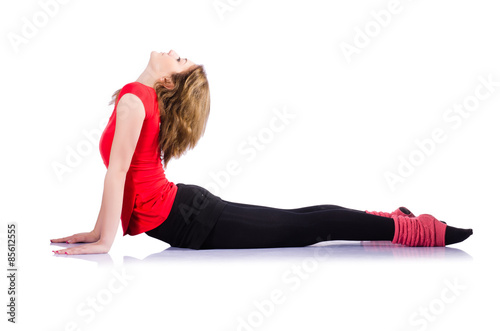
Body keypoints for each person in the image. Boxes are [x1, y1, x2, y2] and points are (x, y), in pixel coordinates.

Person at [50, 50, 473, 255]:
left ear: (169, 83)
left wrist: (104, 241)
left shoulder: (136, 99)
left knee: (310, 228)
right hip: (186, 213)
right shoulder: (136, 98)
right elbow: (125, 175)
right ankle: (393, 221)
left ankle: (417, 231)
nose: (173, 53)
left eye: (179, 60)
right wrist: (96, 232)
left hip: (190, 218)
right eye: (181, 57)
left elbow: (119, 173)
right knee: (306, 222)